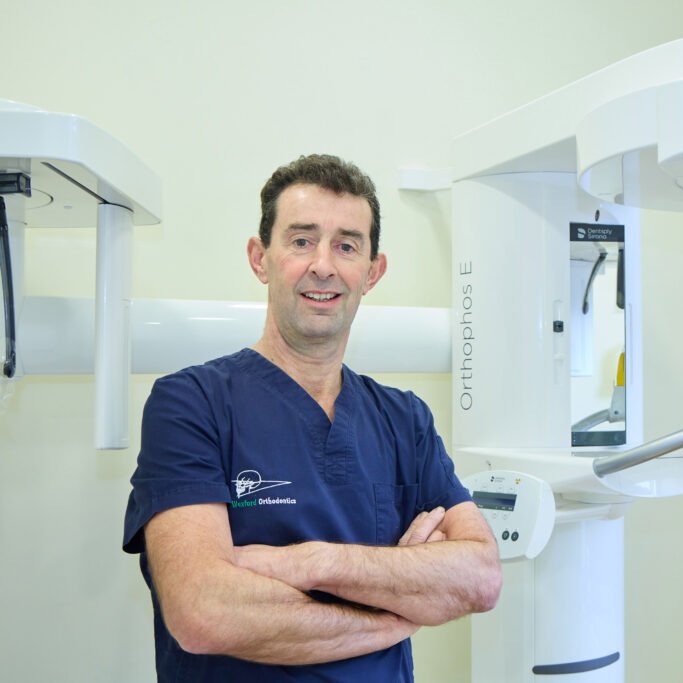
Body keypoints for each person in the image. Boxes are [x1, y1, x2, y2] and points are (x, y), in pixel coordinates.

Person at [122, 154, 502, 681]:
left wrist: (310, 563)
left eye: (347, 245)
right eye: (301, 240)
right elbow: (203, 612)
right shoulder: (191, 404)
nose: (323, 264)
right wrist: (400, 603)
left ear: (372, 272)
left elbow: (480, 577)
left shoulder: (404, 419)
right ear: (261, 258)